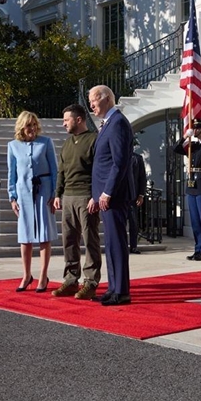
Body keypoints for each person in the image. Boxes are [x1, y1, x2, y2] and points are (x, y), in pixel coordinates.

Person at [87, 85, 135, 306]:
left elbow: (119, 162)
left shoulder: (118, 124)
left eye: (93, 101)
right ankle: (114, 288)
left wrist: (107, 192)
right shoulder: (108, 124)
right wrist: (96, 195)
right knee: (111, 244)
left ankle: (121, 291)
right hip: (105, 196)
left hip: (114, 196)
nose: (91, 105)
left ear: (105, 99)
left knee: (117, 243)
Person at [52, 104, 101, 300]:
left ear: (79, 119)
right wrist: (58, 194)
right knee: (69, 241)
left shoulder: (94, 140)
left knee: (90, 240)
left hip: (85, 196)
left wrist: (95, 196)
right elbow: (61, 171)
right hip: (68, 197)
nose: (63, 124)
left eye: (66, 120)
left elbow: (99, 171)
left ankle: (91, 282)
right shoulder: (66, 144)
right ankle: (71, 280)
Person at [7, 111, 58, 293]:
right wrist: (12, 197)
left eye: (34, 124)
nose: (32, 128)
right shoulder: (13, 146)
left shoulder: (46, 143)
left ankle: (43, 276)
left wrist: (54, 193)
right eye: (29, 125)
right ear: (22, 126)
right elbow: (11, 174)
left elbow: (54, 170)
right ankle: (26, 275)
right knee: (25, 236)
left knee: (44, 234)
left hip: (44, 191)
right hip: (23, 193)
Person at [173, 119, 201, 261]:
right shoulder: (192, 146)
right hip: (192, 187)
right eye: (194, 128)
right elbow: (176, 148)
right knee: (194, 221)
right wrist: (185, 136)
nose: (195, 130)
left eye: (198, 128)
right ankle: (198, 249)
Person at [127, 145, 147, 254]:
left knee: (134, 223)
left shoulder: (137, 158)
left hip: (132, 197)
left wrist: (141, 195)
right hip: (119, 197)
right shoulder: (116, 157)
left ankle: (133, 246)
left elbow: (142, 178)